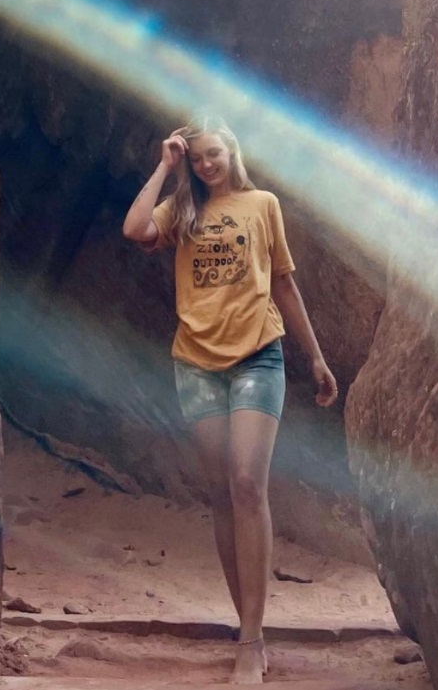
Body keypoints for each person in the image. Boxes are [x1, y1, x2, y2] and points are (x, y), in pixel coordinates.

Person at [123, 116, 338, 684]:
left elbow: (285, 283)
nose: (206, 164)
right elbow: (134, 228)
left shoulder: (262, 204)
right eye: (196, 158)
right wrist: (165, 168)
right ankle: (248, 625)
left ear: (231, 151)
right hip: (195, 361)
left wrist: (314, 356)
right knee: (221, 492)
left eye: (212, 154)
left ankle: (252, 640)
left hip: (258, 356)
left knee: (247, 482)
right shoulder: (182, 210)